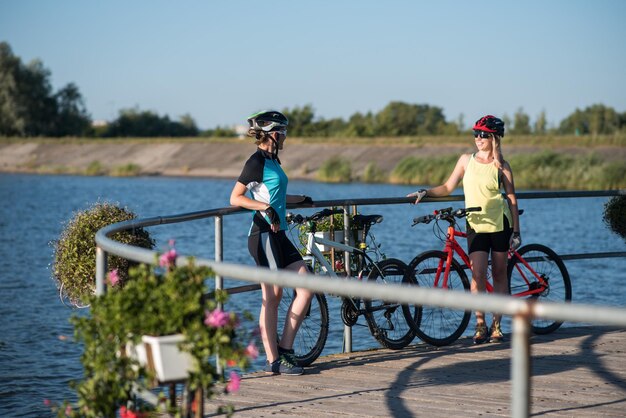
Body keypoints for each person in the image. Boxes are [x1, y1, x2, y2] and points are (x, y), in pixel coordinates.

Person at [408, 115, 521, 344]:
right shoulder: (465, 160)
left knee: (499, 273)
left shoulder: (502, 165)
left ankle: (496, 324)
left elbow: (511, 199)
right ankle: (480, 324)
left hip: (500, 222)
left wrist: (516, 232)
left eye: (483, 135)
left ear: (494, 138)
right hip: (475, 224)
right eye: (476, 134)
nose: (478, 139)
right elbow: (448, 186)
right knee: (477, 274)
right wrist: (426, 192)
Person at [230, 110, 314, 375]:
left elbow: (277, 195)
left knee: (307, 287)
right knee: (272, 297)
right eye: (283, 132)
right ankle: (273, 360)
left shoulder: (274, 160)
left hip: (279, 234)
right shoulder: (255, 161)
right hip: (262, 235)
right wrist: (264, 207)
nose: (285, 137)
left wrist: (299, 200)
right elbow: (236, 198)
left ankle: (286, 349)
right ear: (271, 134)